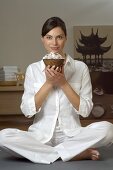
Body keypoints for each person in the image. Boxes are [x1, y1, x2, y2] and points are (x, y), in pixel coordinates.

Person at [0, 16, 113, 164]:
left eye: (59, 37)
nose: (54, 43)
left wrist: (63, 83)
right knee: (3, 137)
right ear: (42, 39)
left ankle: (50, 153)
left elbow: (85, 111)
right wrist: (48, 83)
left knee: (108, 129)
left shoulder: (80, 68)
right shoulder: (33, 69)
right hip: (39, 137)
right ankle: (72, 153)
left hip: (73, 136)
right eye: (49, 37)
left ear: (65, 38)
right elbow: (27, 111)